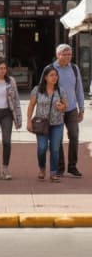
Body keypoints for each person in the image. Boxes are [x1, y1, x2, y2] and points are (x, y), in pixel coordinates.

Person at [40, 43, 85, 177]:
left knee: (74, 136)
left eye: (69, 54)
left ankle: (72, 166)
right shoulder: (50, 68)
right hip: (55, 110)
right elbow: (42, 89)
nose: (67, 57)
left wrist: (81, 108)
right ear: (57, 55)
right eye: (64, 54)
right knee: (57, 139)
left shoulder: (75, 68)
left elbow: (79, 90)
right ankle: (59, 167)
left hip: (71, 109)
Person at [26, 67, 67, 182]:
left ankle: (53, 172)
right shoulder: (37, 89)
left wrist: (62, 107)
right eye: (51, 75)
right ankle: (42, 168)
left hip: (57, 123)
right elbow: (31, 105)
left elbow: (65, 106)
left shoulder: (60, 90)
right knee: (42, 148)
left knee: (55, 148)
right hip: (41, 124)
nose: (54, 78)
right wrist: (29, 120)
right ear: (45, 77)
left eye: (56, 75)